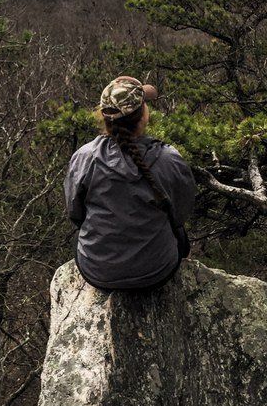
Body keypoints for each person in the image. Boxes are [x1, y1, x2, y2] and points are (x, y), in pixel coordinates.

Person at [64, 75, 195, 291]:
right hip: (155, 273)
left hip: (98, 273)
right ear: (143, 115)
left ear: (104, 117)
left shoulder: (85, 157)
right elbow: (181, 212)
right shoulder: (168, 158)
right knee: (179, 232)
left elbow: (75, 213)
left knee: (79, 237)